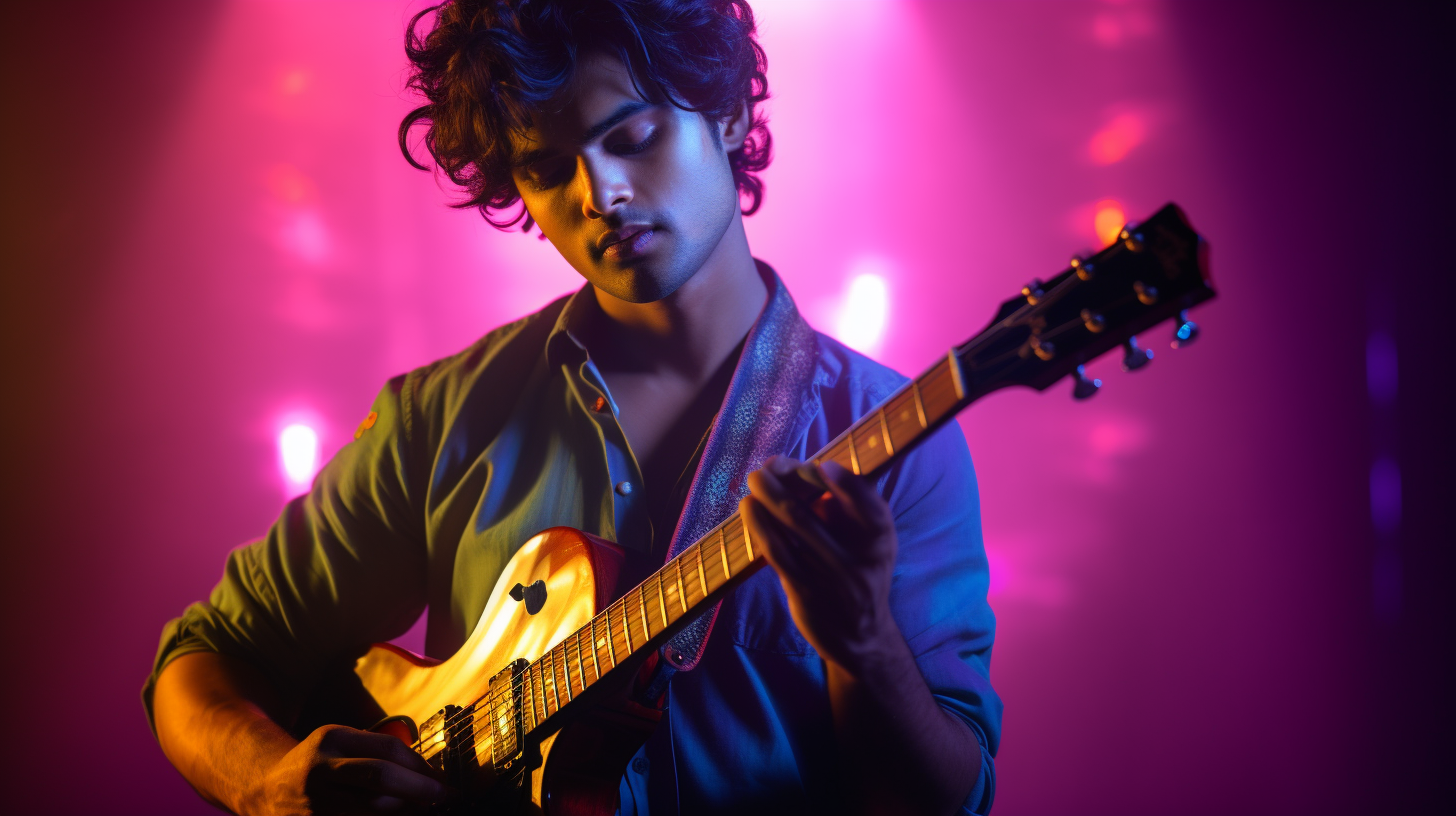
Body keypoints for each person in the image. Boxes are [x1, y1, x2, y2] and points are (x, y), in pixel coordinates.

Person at [145, 1, 1001, 814]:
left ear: (729, 113)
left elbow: (941, 798)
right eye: (547, 170)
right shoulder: (438, 418)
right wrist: (264, 783)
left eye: (632, 136)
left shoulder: (894, 439)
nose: (601, 196)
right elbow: (206, 660)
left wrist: (866, 647)